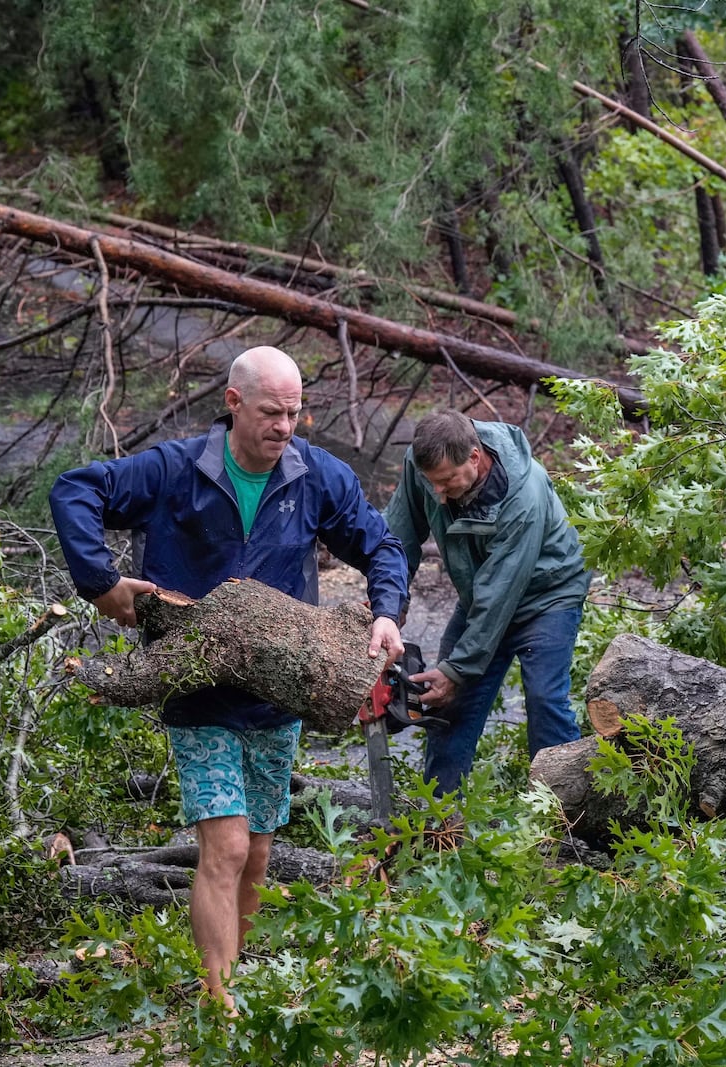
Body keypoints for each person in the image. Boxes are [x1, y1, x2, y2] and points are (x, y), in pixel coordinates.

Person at [49, 346, 406, 1010]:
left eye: (295, 412)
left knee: (259, 856)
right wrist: (99, 581)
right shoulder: (173, 471)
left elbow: (380, 544)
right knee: (227, 844)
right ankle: (218, 999)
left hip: (278, 699)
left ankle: (233, 981)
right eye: (272, 411)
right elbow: (75, 489)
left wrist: (386, 612)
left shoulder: (314, 475)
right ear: (234, 402)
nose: (285, 426)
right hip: (196, 690)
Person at [384, 410, 591, 796]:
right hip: (482, 590)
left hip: (547, 596)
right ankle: (441, 818)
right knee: (448, 702)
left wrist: (459, 668)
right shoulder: (425, 464)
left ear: (475, 458)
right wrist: (389, 601)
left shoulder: (522, 496)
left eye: (447, 481)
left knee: (545, 700)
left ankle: (564, 818)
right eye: (433, 484)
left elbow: (501, 593)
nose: (439, 494)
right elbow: (400, 532)